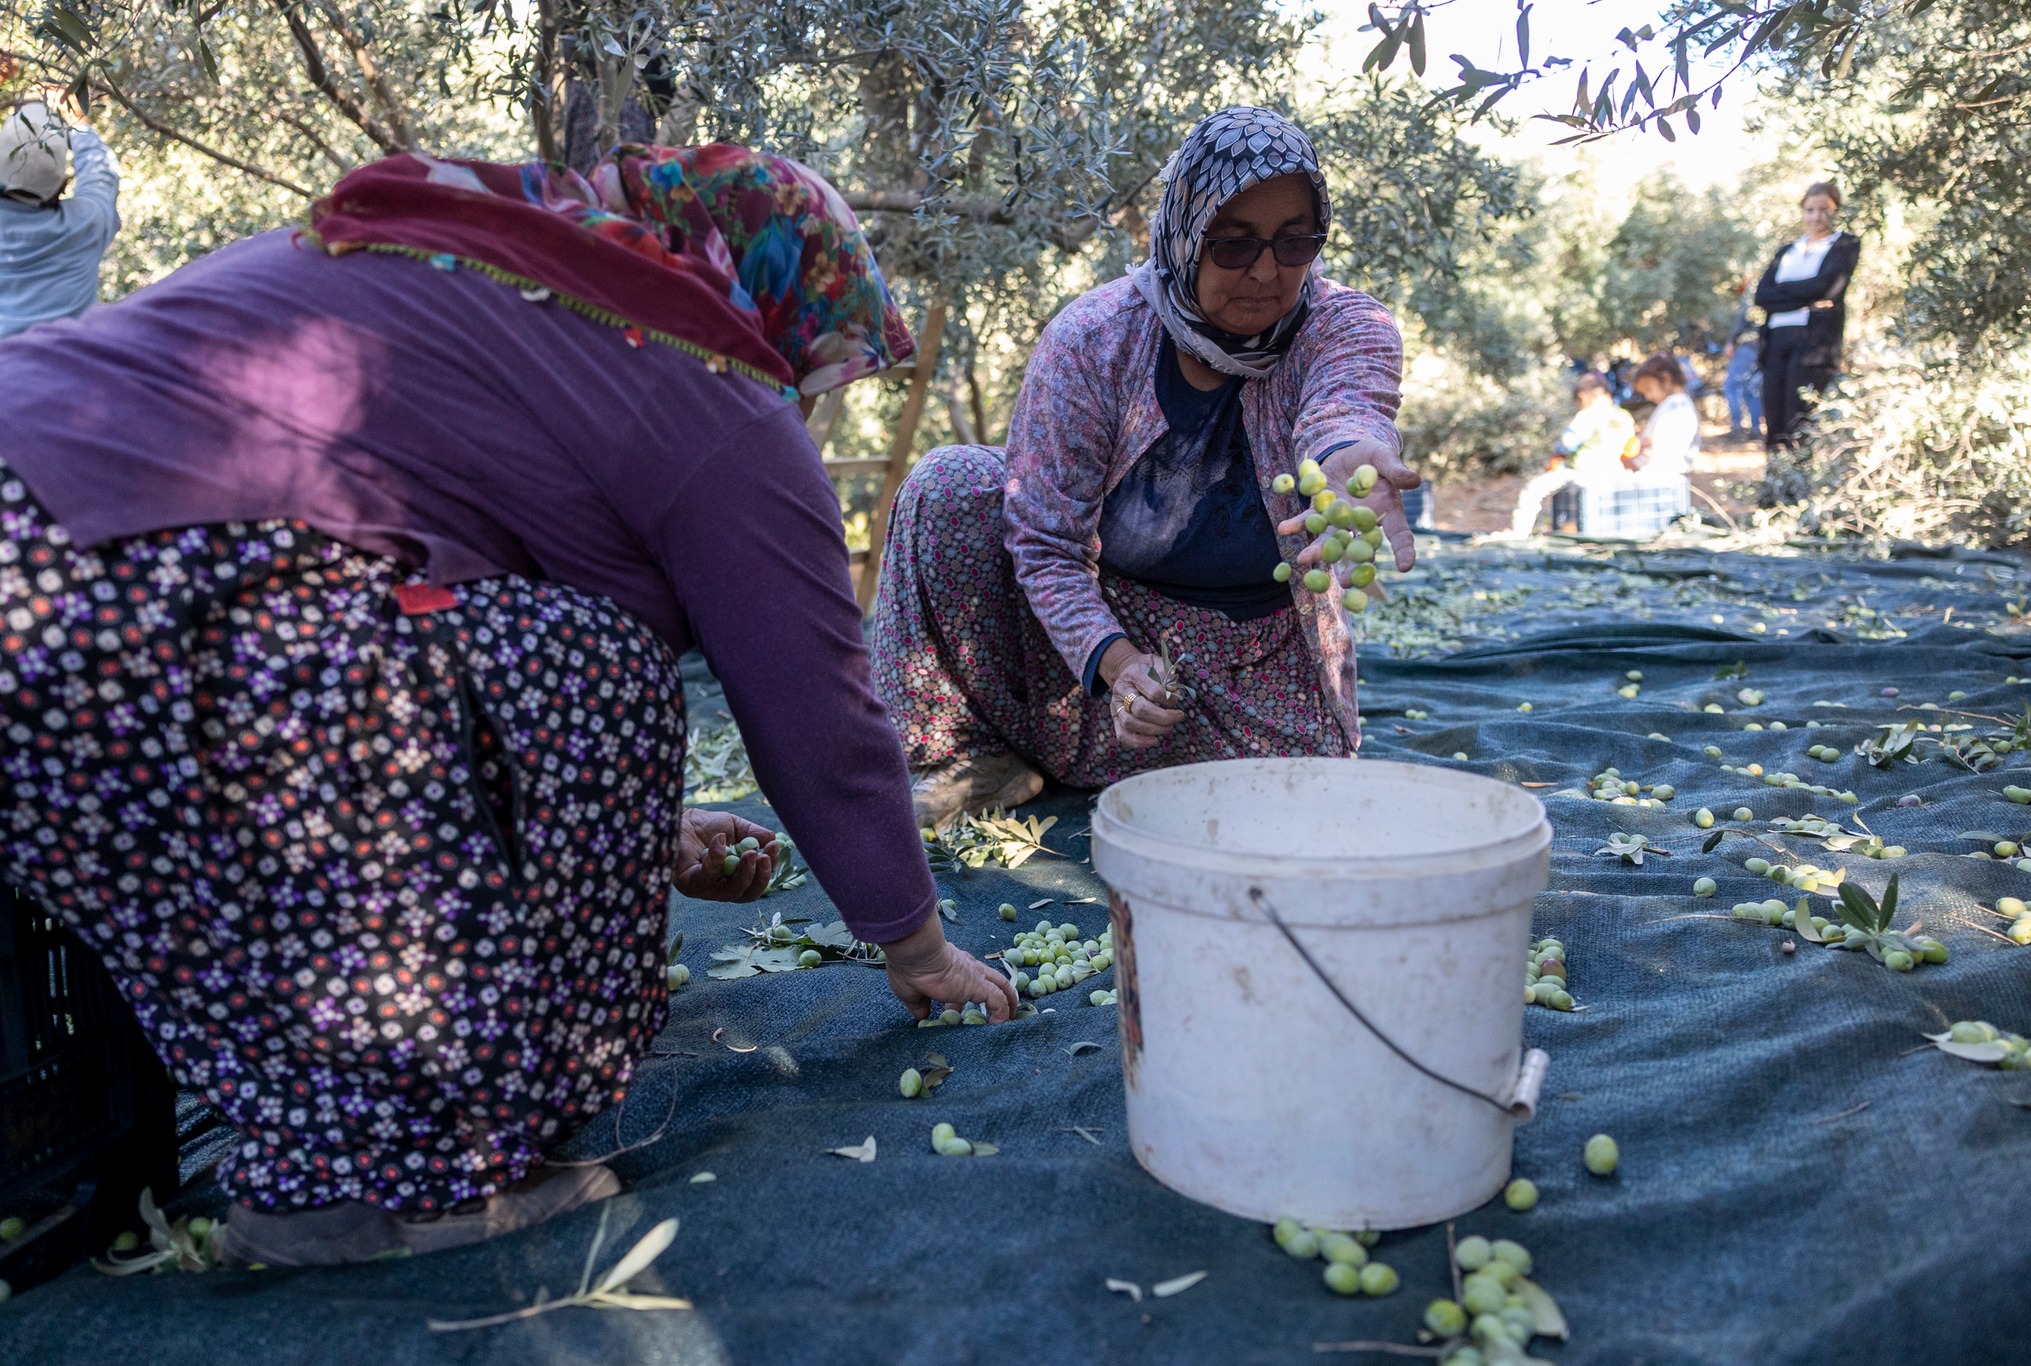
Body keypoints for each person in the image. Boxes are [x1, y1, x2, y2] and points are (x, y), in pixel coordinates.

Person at [0, 143, 1016, 1267]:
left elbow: (438, 635)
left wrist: (651, 829)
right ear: (778, 298)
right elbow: (820, 714)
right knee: (601, 667)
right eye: (820, 371)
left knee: (536, 655)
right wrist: (914, 943)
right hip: (99, 587)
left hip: (58, 579)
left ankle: (334, 1145)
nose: (809, 407)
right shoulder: (701, 369)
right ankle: (392, 1177)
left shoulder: (472, 257)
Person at [870, 107, 1410, 831]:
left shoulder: (1344, 325)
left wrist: (1347, 451)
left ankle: (1100, 762)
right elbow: (1044, 542)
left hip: (1258, 657)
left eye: (1295, 242)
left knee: (1294, 813)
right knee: (952, 486)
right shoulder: (1094, 340)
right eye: (1233, 243)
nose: (1266, 271)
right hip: (1101, 636)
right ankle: (972, 758)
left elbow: (1346, 403)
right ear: (1186, 233)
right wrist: (1121, 667)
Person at [0, 95, 120, 337]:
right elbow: (101, 174)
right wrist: (79, 124)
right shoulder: (86, 225)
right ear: (63, 186)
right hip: (57, 370)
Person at [1753, 181, 1860, 450]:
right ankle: (1774, 486)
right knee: (1774, 419)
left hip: (1813, 344)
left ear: (1836, 211)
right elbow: (1762, 296)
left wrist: (1783, 295)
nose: (1816, 217)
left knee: (1800, 419)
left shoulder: (1845, 245)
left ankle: (1800, 486)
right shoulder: (1786, 251)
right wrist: (1807, 300)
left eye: (1825, 210)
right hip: (1776, 340)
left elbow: (1827, 287)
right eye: (1810, 210)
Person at [1507, 374, 1638, 539]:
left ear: (1583, 395)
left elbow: (1566, 444)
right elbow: (1631, 449)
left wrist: (1557, 453)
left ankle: (1519, 533)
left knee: (1532, 490)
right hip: (1613, 473)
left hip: (1582, 472)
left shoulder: (1588, 415)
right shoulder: (1623, 416)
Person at [1624, 353, 1701, 478]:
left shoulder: (1677, 407)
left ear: (1666, 379)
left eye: (1649, 389)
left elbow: (1663, 455)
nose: (1648, 397)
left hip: (1663, 479)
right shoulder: (1672, 404)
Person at [1722, 290, 1765, 442]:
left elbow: (1742, 319)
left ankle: (1737, 427)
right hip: (1762, 348)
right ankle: (1755, 429)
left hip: (1747, 347)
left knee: (1731, 386)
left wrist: (1732, 341)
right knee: (1750, 390)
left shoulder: (1755, 293)